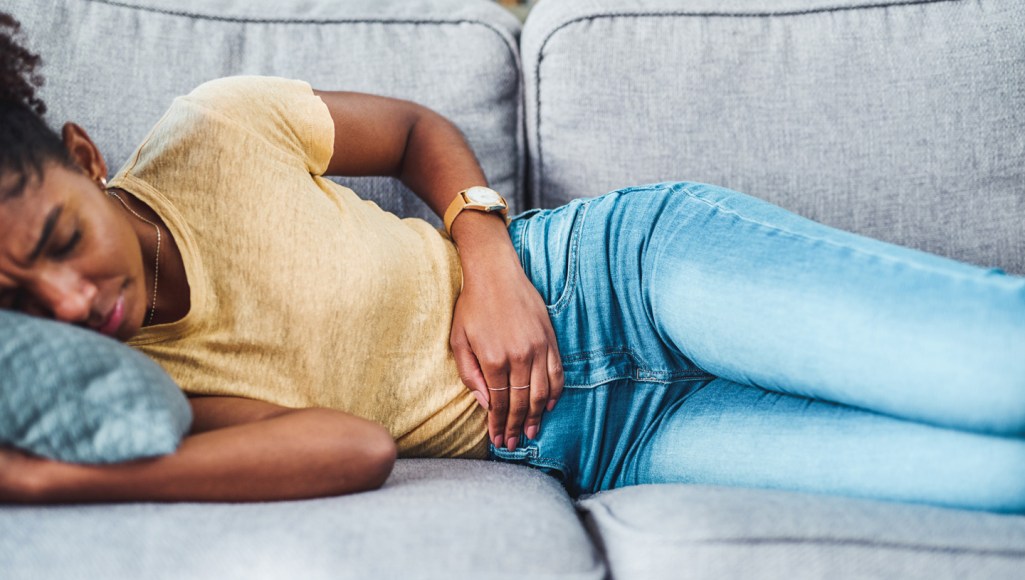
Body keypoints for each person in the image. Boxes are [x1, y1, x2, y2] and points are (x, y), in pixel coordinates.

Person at [1, 14, 1023, 511]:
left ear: (86, 160)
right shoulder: (132, 390)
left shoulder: (214, 130)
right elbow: (352, 446)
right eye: (19, 303)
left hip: (618, 279)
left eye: (60, 241)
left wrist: (486, 259)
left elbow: (409, 129)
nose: (71, 300)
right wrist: (50, 480)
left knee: (989, 371)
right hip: (610, 442)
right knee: (992, 482)